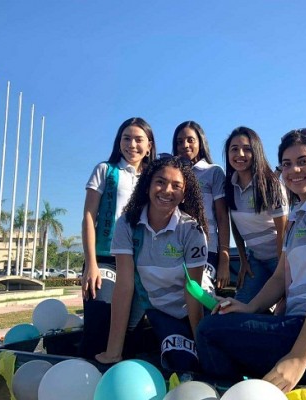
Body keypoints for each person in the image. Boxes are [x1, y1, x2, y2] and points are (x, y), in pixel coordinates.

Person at [197, 128, 306, 392]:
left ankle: (230, 394)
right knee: (220, 322)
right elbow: (279, 278)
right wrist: (248, 307)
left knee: (209, 332)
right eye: (287, 164)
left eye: (303, 161)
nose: (294, 170)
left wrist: (299, 358)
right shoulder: (300, 213)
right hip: (305, 331)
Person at [95, 156, 208, 373]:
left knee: (192, 366)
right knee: (177, 362)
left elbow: (193, 292)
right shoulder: (127, 224)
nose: (167, 190)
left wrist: (200, 345)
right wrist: (113, 351)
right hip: (159, 309)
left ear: (185, 194)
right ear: (147, 185)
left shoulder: (192, 230)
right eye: (160, 182)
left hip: (194, 309)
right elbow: (125, 286)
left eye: (176, 186)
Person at [80, 117, 156, 359]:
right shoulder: (105, 170)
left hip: (138, 261)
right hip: (104, 259)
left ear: (149, 146)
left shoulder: (154, 178)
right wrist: (91, 264)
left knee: (130, 330)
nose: (131, 144)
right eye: (126, 138)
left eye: (138, 139)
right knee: (100, 320)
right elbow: (89, 218)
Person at [224, 126, 287, 303]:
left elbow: (283, 230)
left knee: (285, 311)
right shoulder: (228, 185)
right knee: (240, 306)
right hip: (255, 261)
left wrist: (281, 270)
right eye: (234, 149)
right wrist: (243, 259)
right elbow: (235, 225)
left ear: (256, 151)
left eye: (247, 149)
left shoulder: (271, 183)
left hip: (279, 259)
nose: (240, 154)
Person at [172, 121, 230, 291]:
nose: (185, 145)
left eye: (190, 140)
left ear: (200, 142)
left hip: (208, 248)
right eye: (179, 141)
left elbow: (222, 218)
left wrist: (224, 260)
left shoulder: (213, 172)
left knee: (200, 293)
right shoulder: (171, 173)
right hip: (175, 247)